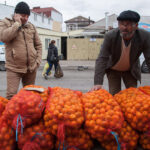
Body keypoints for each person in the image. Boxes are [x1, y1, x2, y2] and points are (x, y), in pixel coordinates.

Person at [91, 10, 150, 95]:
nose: (124, 27)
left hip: (131, 70)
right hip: (113, 69)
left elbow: (149, 58)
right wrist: (98, 82)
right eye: (121, 24)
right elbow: (102, 58)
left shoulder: (145, 36)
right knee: (115, 94)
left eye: (128, 24)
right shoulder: (110, 36)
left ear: (136, 25)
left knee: (133, 95)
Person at [0, 2, 42, 99]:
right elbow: (3, 37)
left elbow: (38, 45)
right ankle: (12, 115)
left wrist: (38, 61)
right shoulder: (5, 22)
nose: (26, 18)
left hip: (31, 68)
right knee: (11, 97)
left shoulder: (31, 26)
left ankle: (26, 114)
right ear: (16, 14)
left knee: (30, 96)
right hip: (14, 68)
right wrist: (17, 24)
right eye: (23, 16)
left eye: (28, 16)